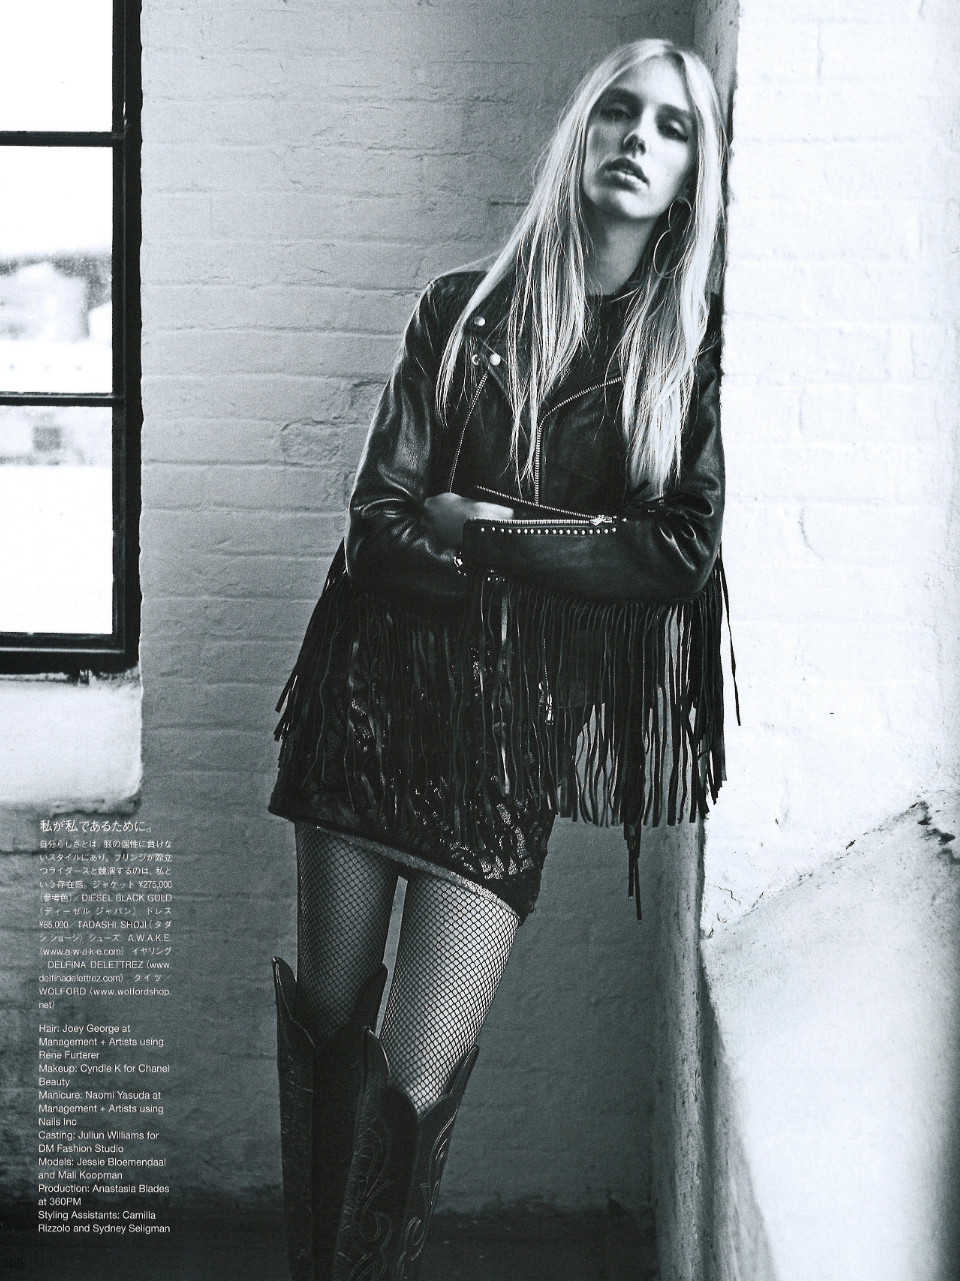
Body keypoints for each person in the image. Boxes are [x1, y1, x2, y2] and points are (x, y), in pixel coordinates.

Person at [269, 36, 729, 1281]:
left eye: (674, 127)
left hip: (508, 747)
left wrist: (484, 524)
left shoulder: (684, 355)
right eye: (619, 113)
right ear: (582, 135)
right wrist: (549, 557)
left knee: (417, 1076)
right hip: (368, 705)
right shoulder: (460, 311)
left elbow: (677, 553)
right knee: (328, 1030)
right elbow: (378, 528)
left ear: (694, 175)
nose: (639, 139)